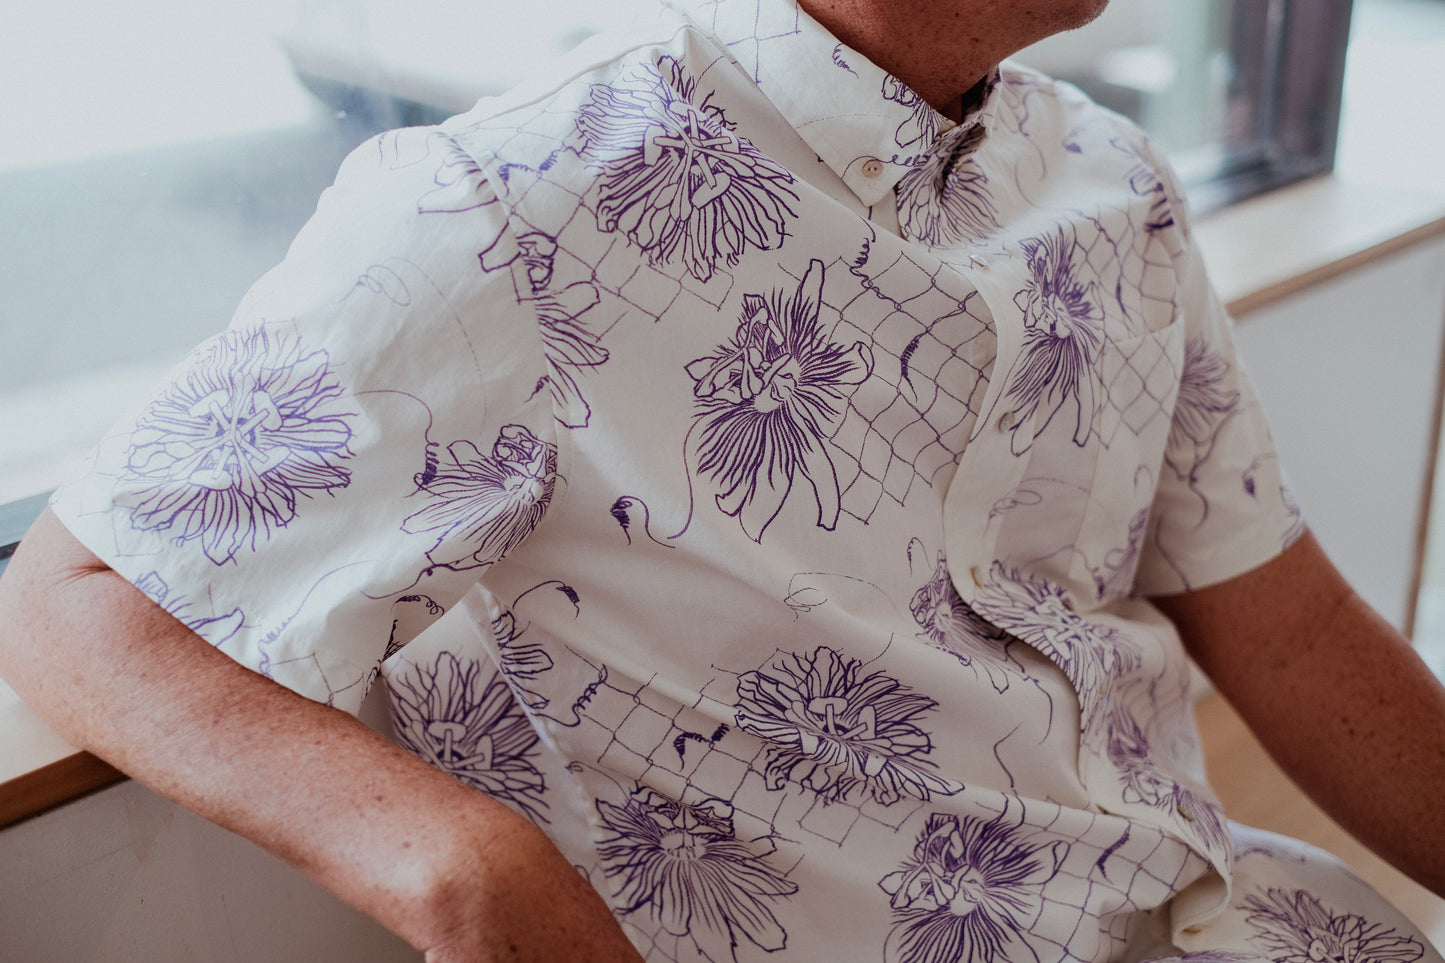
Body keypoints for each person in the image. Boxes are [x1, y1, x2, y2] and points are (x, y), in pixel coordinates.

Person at [1, 0, 1442, 960]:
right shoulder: (508, 207)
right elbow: (70, 594)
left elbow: (1288, 623)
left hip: (1222, 914)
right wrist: (459, 866)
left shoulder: (1109, 180)